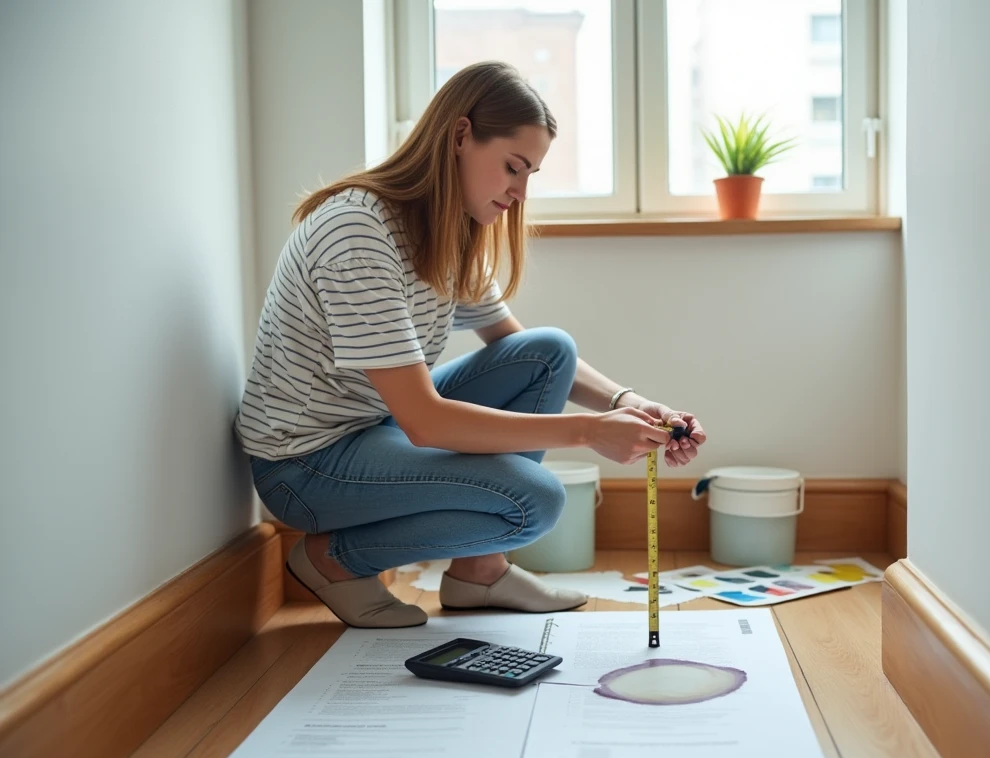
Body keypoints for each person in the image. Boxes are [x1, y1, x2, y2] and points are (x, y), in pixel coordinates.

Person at [233, 61, 706, 628]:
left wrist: (629, 403)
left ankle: (479, 570)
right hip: (305, 465)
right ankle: (332, 560)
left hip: (374, 424)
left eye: (531, 174)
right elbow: (425, 422)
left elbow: (523, 352)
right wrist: (589, 432)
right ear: (461, 135)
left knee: (548, 351)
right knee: (536, 500)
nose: (520, 192)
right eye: (513, 167)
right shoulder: (357, 230)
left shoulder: (448, 229)